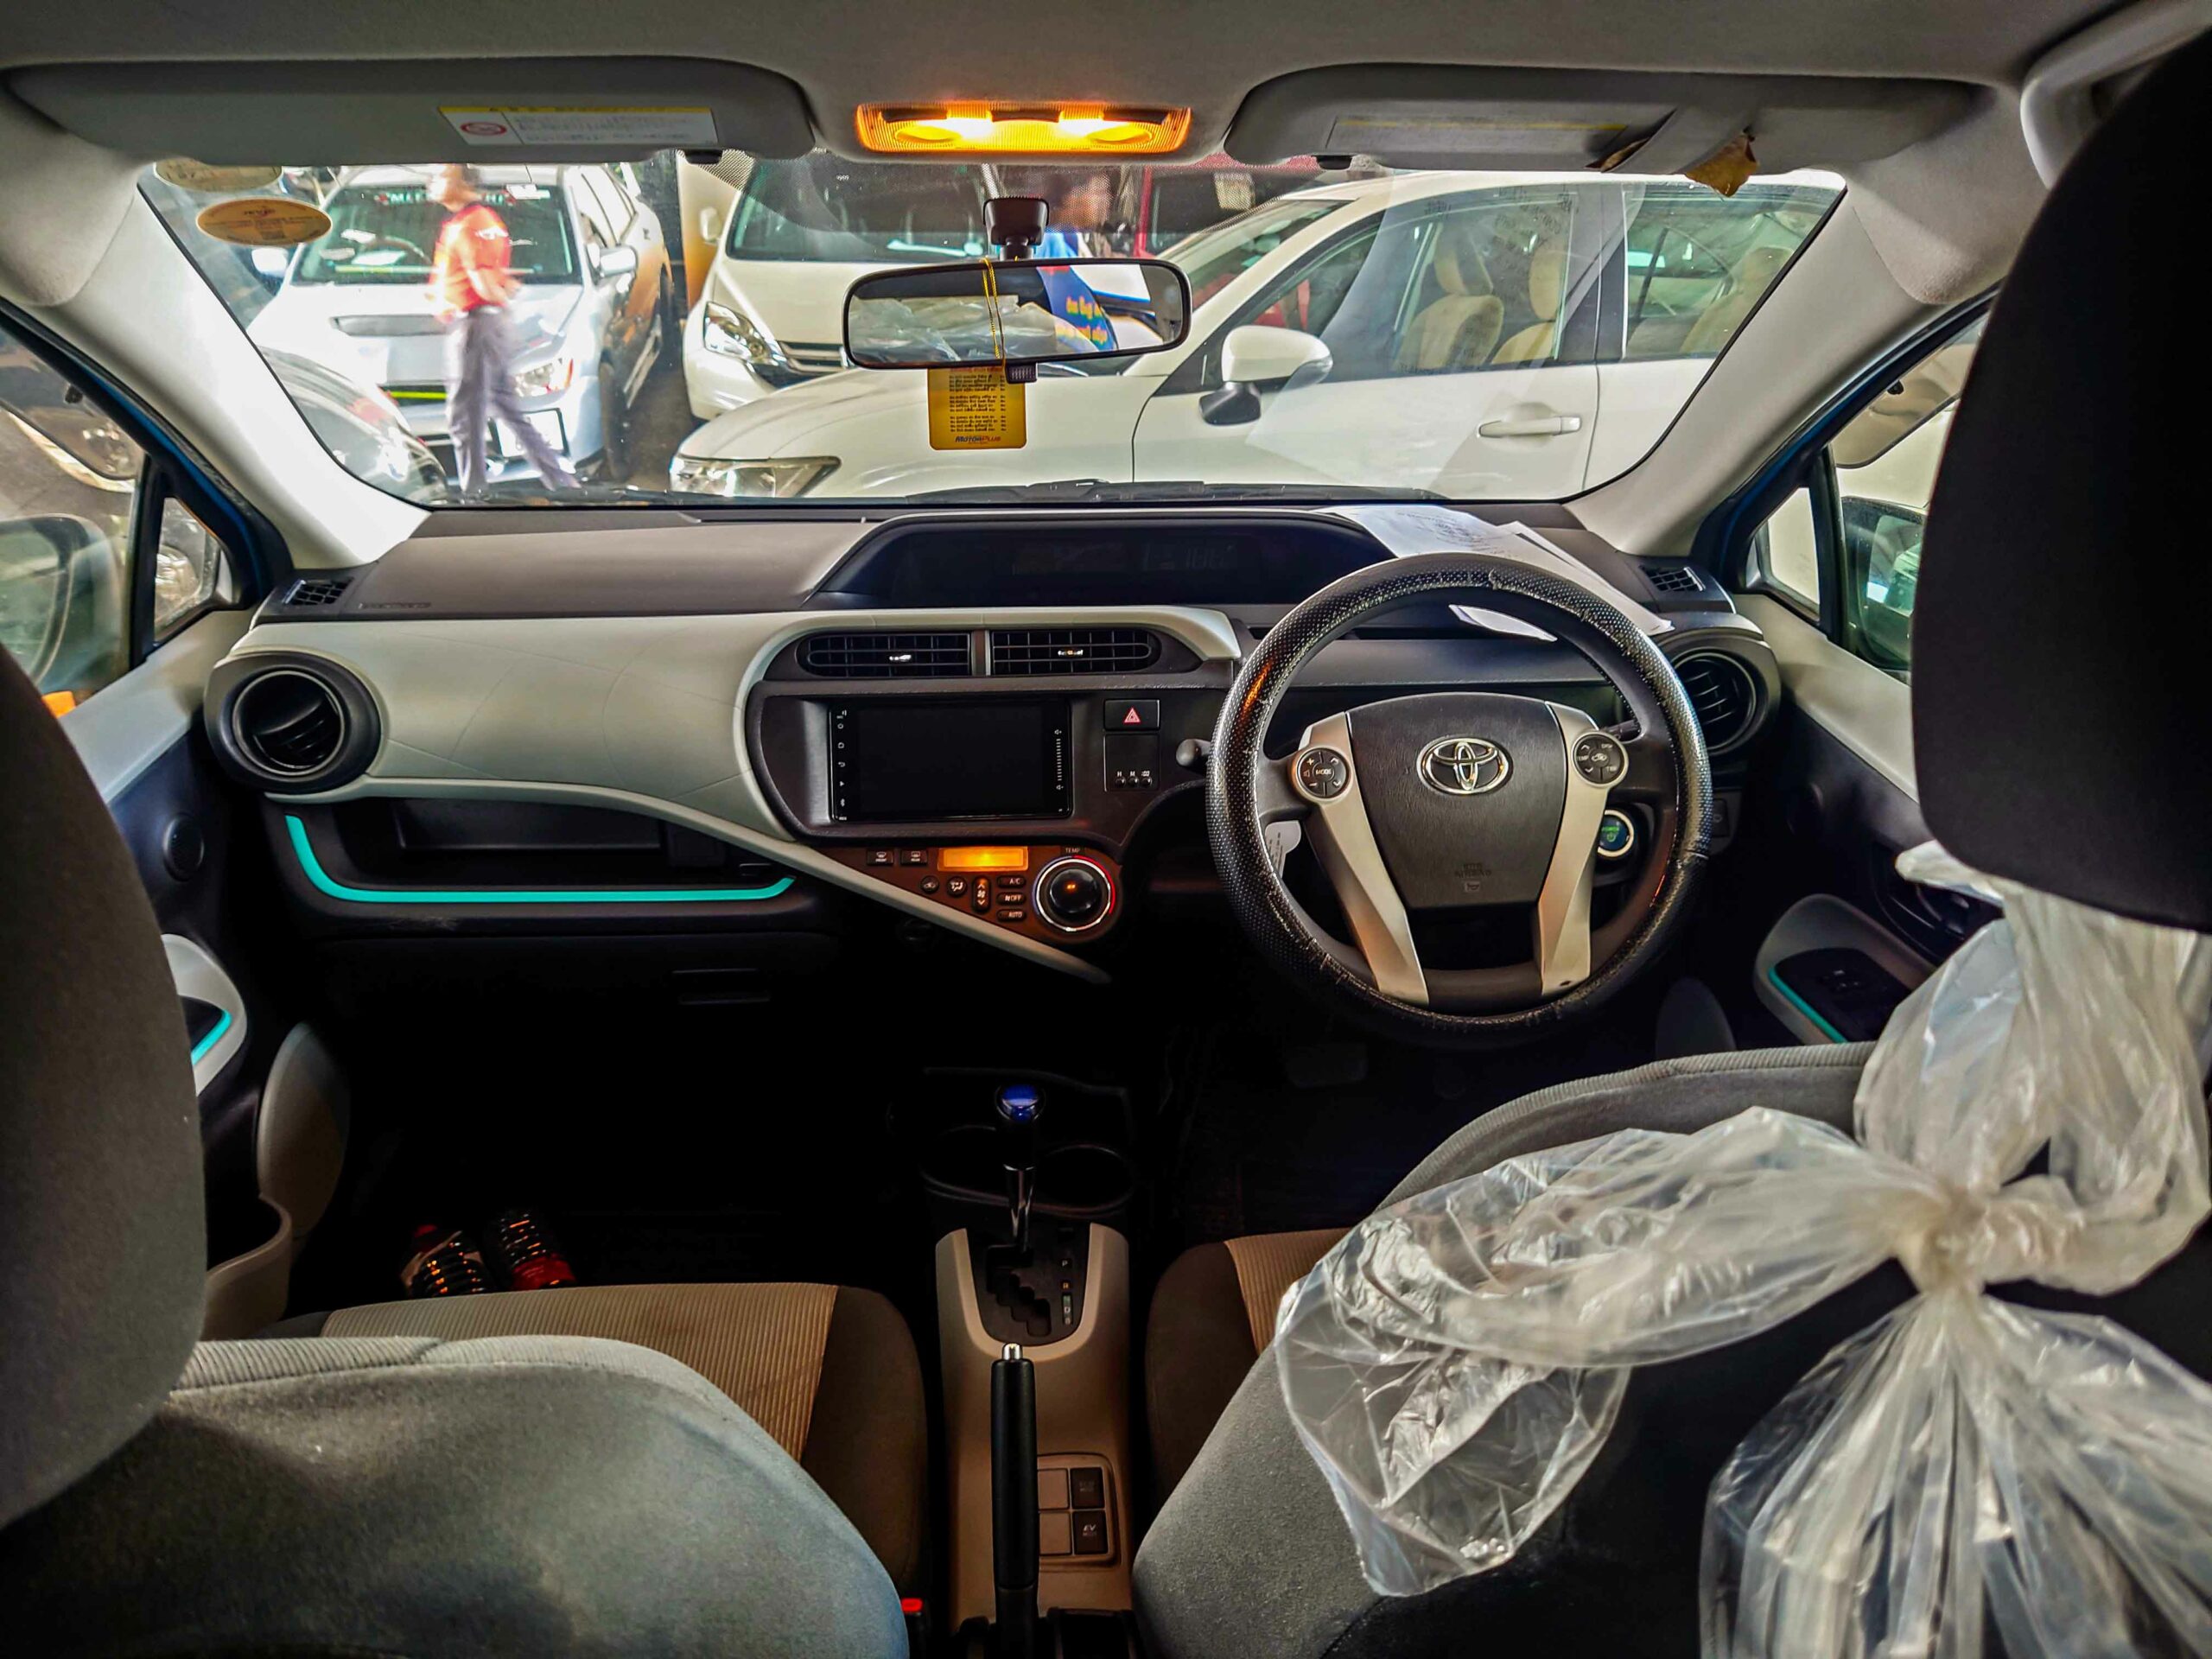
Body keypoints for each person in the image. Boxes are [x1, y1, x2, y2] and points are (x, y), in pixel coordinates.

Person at [427, 162, 576, 495]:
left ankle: (473, 496)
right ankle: (562, 483)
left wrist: (492, 303)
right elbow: (499, 279)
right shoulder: (486, 221)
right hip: (488, 326)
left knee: (464, 419)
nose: (434, 181)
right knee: (507, 410)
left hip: (474, 328)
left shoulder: (468, 226)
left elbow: (484, 283)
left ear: (465, 184)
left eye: (444, 176)